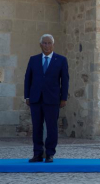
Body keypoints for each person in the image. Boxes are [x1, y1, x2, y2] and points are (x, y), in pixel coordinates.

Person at [25, 34, 69, 163]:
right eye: (44, 43)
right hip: (36, 99)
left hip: (53, 99)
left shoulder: (61, 60)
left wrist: (63, 98)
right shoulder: (33, 59)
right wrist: (27, 96)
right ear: (40, 45)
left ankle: (50, 153)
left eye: (49, 43)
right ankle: (37, 153)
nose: (47, 45)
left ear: (53, 44)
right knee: (37, 127)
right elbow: (28, 79)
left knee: (51, 127)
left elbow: (65, 81)